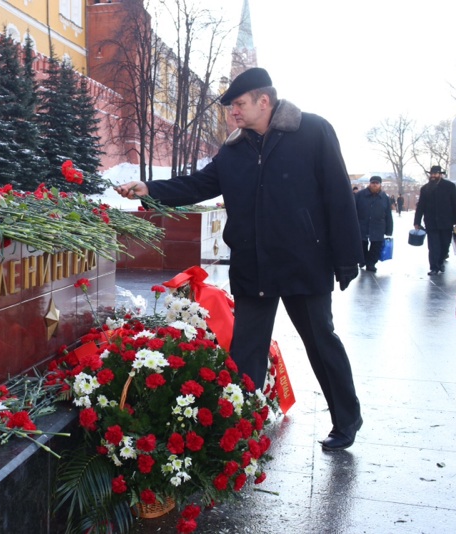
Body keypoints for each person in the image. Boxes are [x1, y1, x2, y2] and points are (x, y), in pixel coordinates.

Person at [115, 67, 364, 451]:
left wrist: (347, 259)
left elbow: (338, 196)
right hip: (253, 266)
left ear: (264, 101)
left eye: (239, 104)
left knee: (321, 342)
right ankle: (239, 425)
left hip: (304, 263)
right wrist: (150, 189)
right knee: (246, 350)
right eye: (231, 105)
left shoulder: (313, 132)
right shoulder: (233, 151)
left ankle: (346, 420)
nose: (233, 111)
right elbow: (197, 184)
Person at [413, 165, 456, 275]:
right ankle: (434, 267)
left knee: (445, 245)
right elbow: (421, 206)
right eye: (432, 174)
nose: (433, 176)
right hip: (431, 222)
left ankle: (440, 262)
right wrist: (417, 221)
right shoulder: (425, 188)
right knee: (433, 246)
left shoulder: (449, 186)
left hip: (446, 222)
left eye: (435, 174)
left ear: (440, 174)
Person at [355, 176, 393, 272]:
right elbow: (353, 210)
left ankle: (371, 263)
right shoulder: (360, 195)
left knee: (376, 246)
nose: (374, 185)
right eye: (373, 183)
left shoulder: (384, 197)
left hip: (378, 225)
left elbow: (388, 214)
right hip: (362, 224)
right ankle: (363, 260)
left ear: (380, 185)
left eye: (377, 183)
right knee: (362, 244)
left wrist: (389, 229)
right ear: (369, 184)